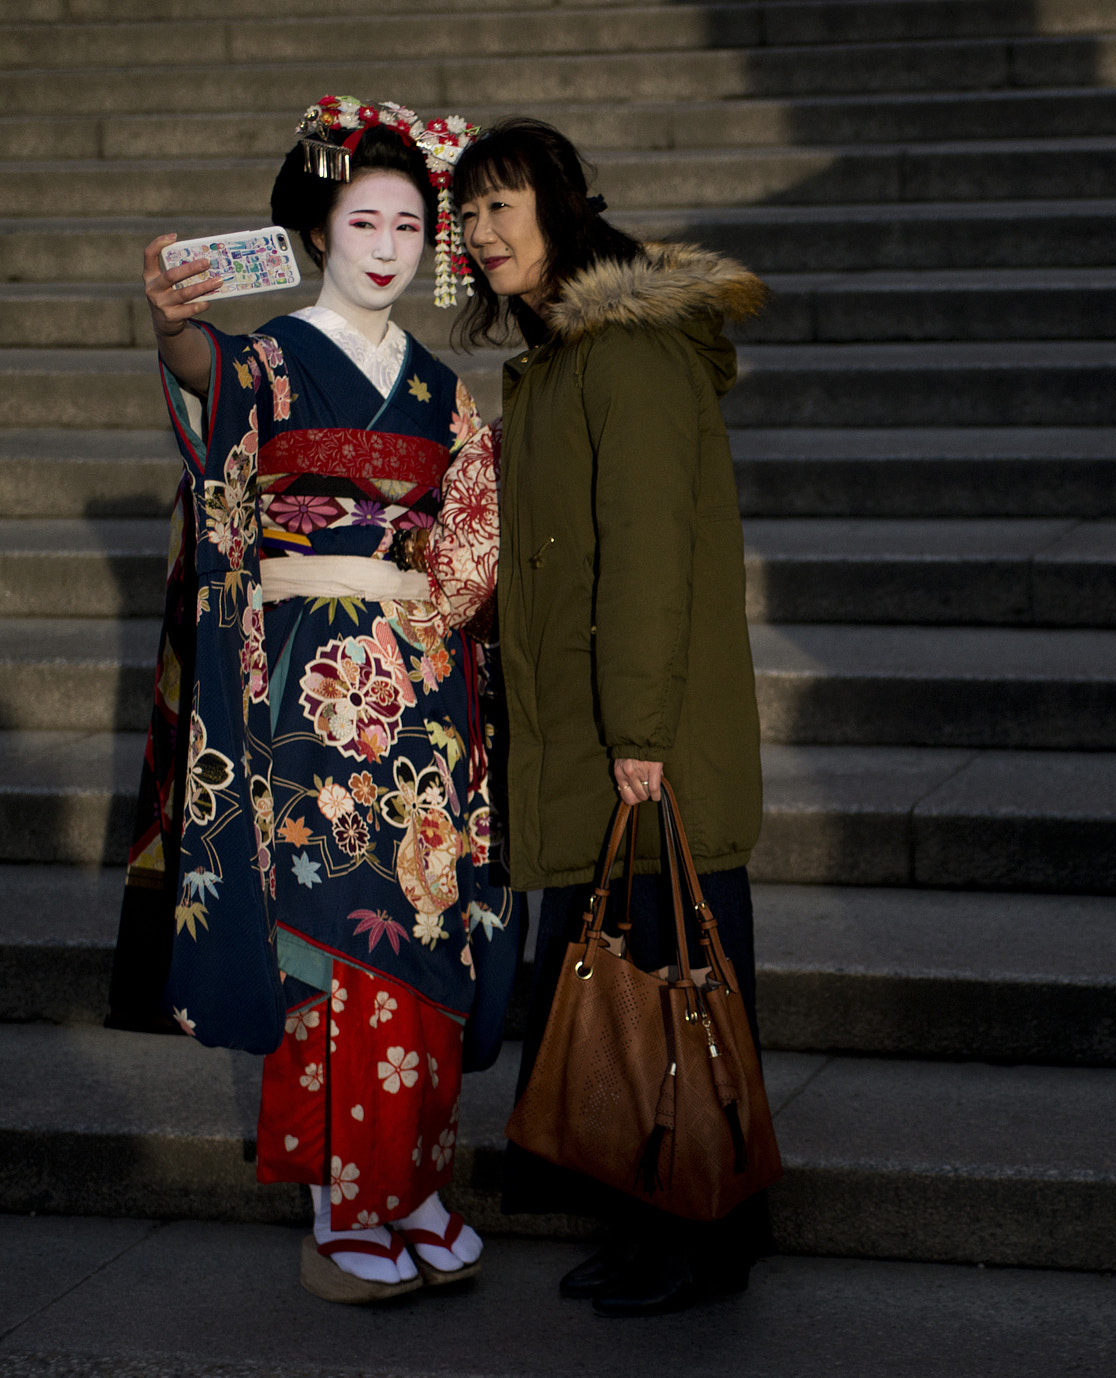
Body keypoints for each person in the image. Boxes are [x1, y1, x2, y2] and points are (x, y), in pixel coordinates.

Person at [126, 96, 517, 1304]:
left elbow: (468, 543)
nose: (390, 243)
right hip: (309, 681)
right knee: (334, 935)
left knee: (427, 928)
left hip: (423, 682)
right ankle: (344, 1195)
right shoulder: (272, 355)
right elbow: (212, 388)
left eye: (410, 222)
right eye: (366, 219)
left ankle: (418, 1187)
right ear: (318, 229)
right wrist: (176, 328)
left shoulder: (444, 388)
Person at [452, 117, 770, 1317]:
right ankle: (663, 1221)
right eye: (468, 214)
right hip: (598, 729)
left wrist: (639, 734)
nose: (481, 234)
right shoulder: (558, 359)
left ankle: (704, 1233)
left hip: (647, 741)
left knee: (676, 990)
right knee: (637, 992)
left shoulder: (625, 353)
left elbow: (645, 553)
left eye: (501, 206)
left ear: (563, 206)